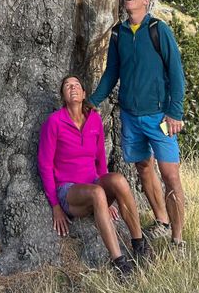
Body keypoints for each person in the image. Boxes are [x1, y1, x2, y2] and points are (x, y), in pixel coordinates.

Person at [88, 0, 186, 253]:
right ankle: (162, 220)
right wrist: (94, 101)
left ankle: (178, 240)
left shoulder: (158, 30)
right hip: (130, 116)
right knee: (143, 168)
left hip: (159, 118)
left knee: (170, 176)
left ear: (146, 0)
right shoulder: (118, 33)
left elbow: (176, 72)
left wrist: (174, 111)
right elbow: (112, 73)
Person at [38, 74, 153, 279]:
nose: (72, 88)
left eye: (76, 85)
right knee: (97, 192)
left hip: (94, 184)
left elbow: (101, 159)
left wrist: (107, 200)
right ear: (63, 96)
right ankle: (119, 262)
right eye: (67, 86)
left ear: (83, 94)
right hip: (69, 191)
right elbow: (45, 165)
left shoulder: (94, 119)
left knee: (117, 180)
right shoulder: (54, 122)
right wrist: (55, 205)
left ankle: (139, 244)